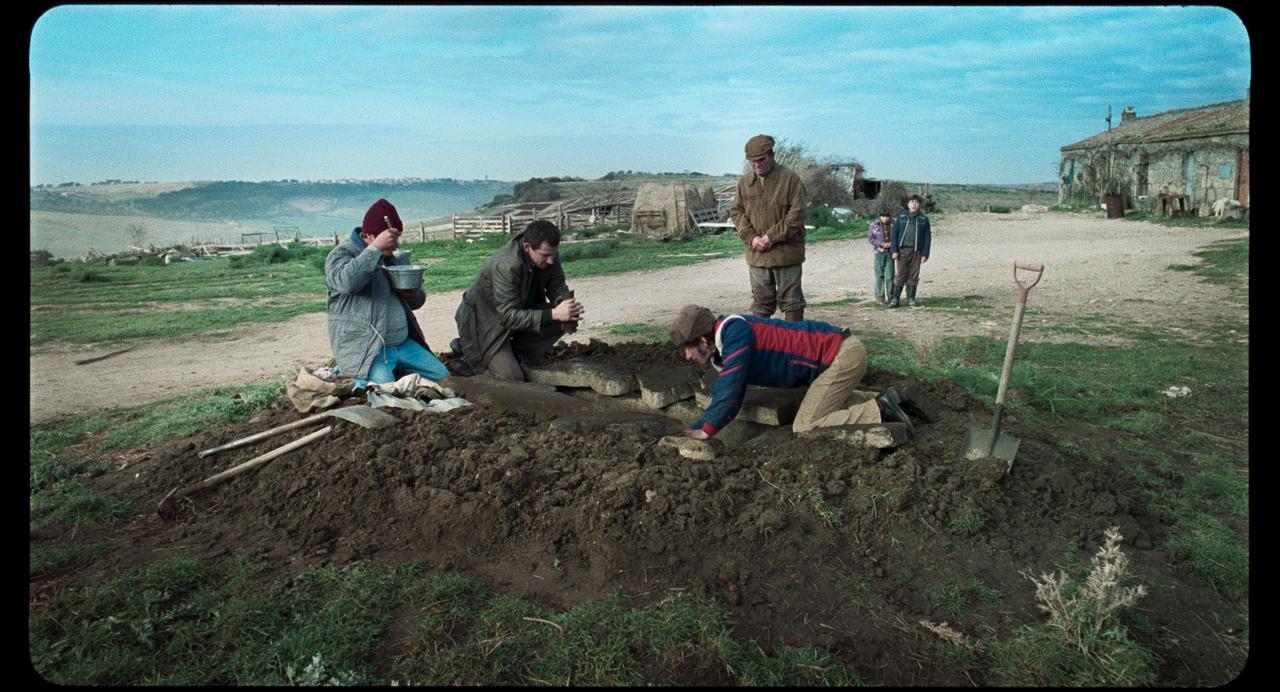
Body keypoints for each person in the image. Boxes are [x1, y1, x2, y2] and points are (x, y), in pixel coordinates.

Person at [668, 305, 913, 439]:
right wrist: (700, 426)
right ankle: (891, 399)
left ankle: (880, 410)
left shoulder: (735, 332)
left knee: (806, 425)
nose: (687, 356)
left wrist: (707, 429)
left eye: (687, 348)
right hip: (835, 358)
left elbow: (729, 386)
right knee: (822, 405)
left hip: (841, 355)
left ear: (702, 340)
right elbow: (733, 394)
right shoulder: (724, 351)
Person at [325, 198, 449, 388]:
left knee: (443, 378)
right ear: (370, 235)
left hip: (402, 343)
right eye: (392, 237)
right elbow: (347, 283)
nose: (396, 243)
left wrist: (412, 295)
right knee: (384, 389)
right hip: (368, 347)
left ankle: (390, 370)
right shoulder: (342, 254)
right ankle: (350, 369)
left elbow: (417, 299)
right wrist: (374, 250)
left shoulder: (393, 256)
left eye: (398, 237)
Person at [452, 219, 584, 380]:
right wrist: (554, 313)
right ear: (528, 247)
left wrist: (563, 302)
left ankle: (515, 354)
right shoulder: (506, 265)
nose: (551, 260)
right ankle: (469, 353)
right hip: (486, 322)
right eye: (545, 256)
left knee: (565, 318)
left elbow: (555, 282)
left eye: (553, 254)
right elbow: (508, 317)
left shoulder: (547, 251)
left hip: (518, 310)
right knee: (512, 378)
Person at [728, 134, 809, 321]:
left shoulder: (790, 179)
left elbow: (797, 214)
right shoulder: (745, 183)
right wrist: (751, 237)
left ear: (771, 155)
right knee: (761, 304)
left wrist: (771, 236)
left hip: (786, 254)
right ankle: (764, 345)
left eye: (760, 160)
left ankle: (793, 344)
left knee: (792, 302)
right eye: (752, 162)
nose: (756, 165)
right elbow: (737, 212)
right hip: (757, 255)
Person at [889, 194, 932, 308]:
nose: (914, 204)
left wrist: (925, 254)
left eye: (916, 202)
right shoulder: (901, 217)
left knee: (913, 275)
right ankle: (895, 299)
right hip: (902, 250)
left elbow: (927, 238)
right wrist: (894, 250)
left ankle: (911, 299)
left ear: (919, 204)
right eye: (912, 202)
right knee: (900, 275)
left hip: (916, 251)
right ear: (908, 204)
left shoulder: (923, 219)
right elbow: (894, 235)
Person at [867, 210, 895, 304]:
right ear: (880, 216)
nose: (885, 218)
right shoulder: (874, 225)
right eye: (883, 216)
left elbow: (898, 236)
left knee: (890, 276)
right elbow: (870, 238)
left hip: (890, 253)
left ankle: (891, 297)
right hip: (879, 252)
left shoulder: (894, 224)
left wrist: (892, 244)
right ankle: (880, 297)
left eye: (887, 216)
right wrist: (881, 244)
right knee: (879, 275)